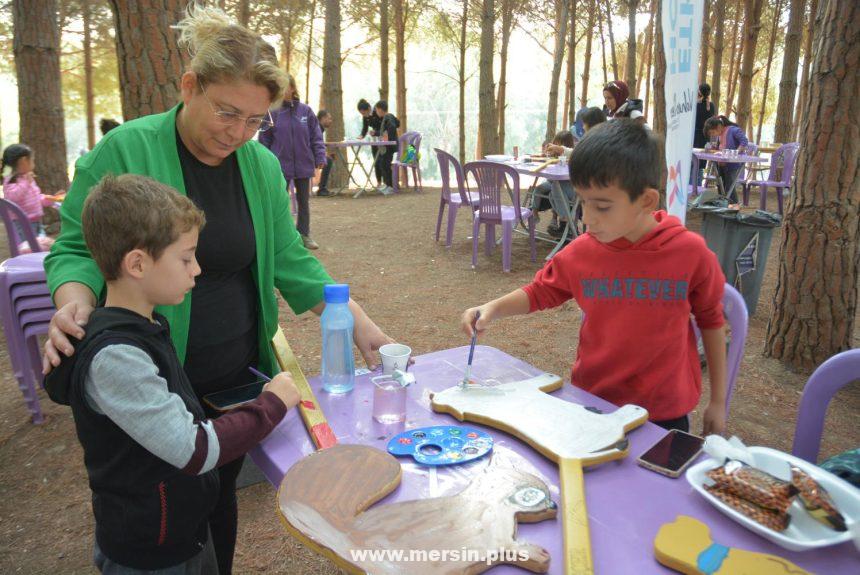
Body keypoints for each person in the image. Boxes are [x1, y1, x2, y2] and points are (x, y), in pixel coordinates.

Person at [43, 6, 397, 574]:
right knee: (161, 502)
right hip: (158, 373)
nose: (238, 133)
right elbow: (76, 248)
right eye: (227, 112)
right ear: (190, 86)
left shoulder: (257, 164)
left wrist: (357, 319)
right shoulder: (126, 150)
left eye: (255, 121)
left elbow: (287, 256)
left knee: (216, 498)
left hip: (235, 374)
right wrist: (75, 300)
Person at [44, 173, 301, 574]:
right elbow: (194, 450)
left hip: (183, 530)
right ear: (137, 263)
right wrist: (271, 404)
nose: (197, 269)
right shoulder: (117, 357)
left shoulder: (146, 327)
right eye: (186, 257)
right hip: (152, 553)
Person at [461, 120, 728, 436]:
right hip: (593, 403)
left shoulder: (690, 253)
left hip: (665, 414)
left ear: (646, 201)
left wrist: (719, 401)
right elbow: (540, 291)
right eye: (582, 202)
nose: (586, 218)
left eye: (601, 206)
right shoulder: (582, 252)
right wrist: (493, 307)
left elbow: (712, 322)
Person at [259, 74, 326, 250]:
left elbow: (316, 136)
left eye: (285, 86)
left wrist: (320, 156)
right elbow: (264, 140)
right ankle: (280, 237)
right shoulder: (271, 112)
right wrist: (265, 163)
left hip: (304, 164)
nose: (282, 90)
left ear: (293, 89)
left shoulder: (306, 111)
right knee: (280, 201)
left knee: (304, 202)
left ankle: (304, 235)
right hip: (279, 167)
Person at [1, 143, 52, 239]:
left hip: (37, 221)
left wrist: (49, 199)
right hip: (22, 223)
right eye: (32, 160)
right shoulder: (10, 180)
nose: (34, 163)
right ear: (23, 161)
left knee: (39, 246)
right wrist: (26, 182)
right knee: (29, 248)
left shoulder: (27, 178)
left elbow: (35, 197)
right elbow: (13, 197)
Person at [537, 131, 577, 238]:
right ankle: (566, 226)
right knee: (551, 192)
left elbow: (575, 153)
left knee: (555, 187)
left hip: (574, 190)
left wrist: (559, 150)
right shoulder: (557, 156)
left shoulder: (574, 155)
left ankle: (566, 224)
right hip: (562, 187)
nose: (557, 147)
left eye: (559, 145)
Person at [703, 115, 749, 204]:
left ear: (719, 126)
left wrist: (736, 152)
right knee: (720, 186)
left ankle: (734, 207)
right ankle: (723, 205)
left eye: (712, 132)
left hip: (732, 164)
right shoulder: (720, 134)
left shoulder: (733, 130)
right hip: (721, 164)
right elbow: (722, 147)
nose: (713, 135)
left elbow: (744, 141)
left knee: (729, 187)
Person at [373, 100, 400, 196]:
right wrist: (376, 133)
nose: (376, 112)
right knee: (382, 163)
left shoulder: (388, 117)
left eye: (376, 110)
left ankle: (391, 186)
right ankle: (387, 184)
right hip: (387, 146)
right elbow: (385, 130)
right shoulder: (387, 117)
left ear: (380, 109)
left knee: (385, 164)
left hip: (389, 146)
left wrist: (387, 138)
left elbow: (392, 127)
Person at [693, 84, 716, 187]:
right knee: (701, 165)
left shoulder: (695, 106)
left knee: (693, 163)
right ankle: (698, 188)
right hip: (706, 138)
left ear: (699, 92)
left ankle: (691, 187)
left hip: (694, 137)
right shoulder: (711, 106)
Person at [357, 98, 383, 186]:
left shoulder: (377, 111)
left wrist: (376, 132)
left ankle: (387, 182)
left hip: (383, 137)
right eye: (362, 114)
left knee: (382, 161)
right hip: (374, 139)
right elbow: (365, 127)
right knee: (376, 161)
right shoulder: (365, 116)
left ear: (368, 109)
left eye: (364, 113)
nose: (364, 115)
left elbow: (383, 125)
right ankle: (379, 182)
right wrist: (361, 135)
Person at [315, 109, 334, 197]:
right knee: (328, 160)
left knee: (328, 159)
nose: (331, 121)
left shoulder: (317, 127)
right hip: (307, 157)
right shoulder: (317, 128)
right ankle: (322, 189)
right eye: (329, 118)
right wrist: (321, 156)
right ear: (323, 118)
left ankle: (322, 187)